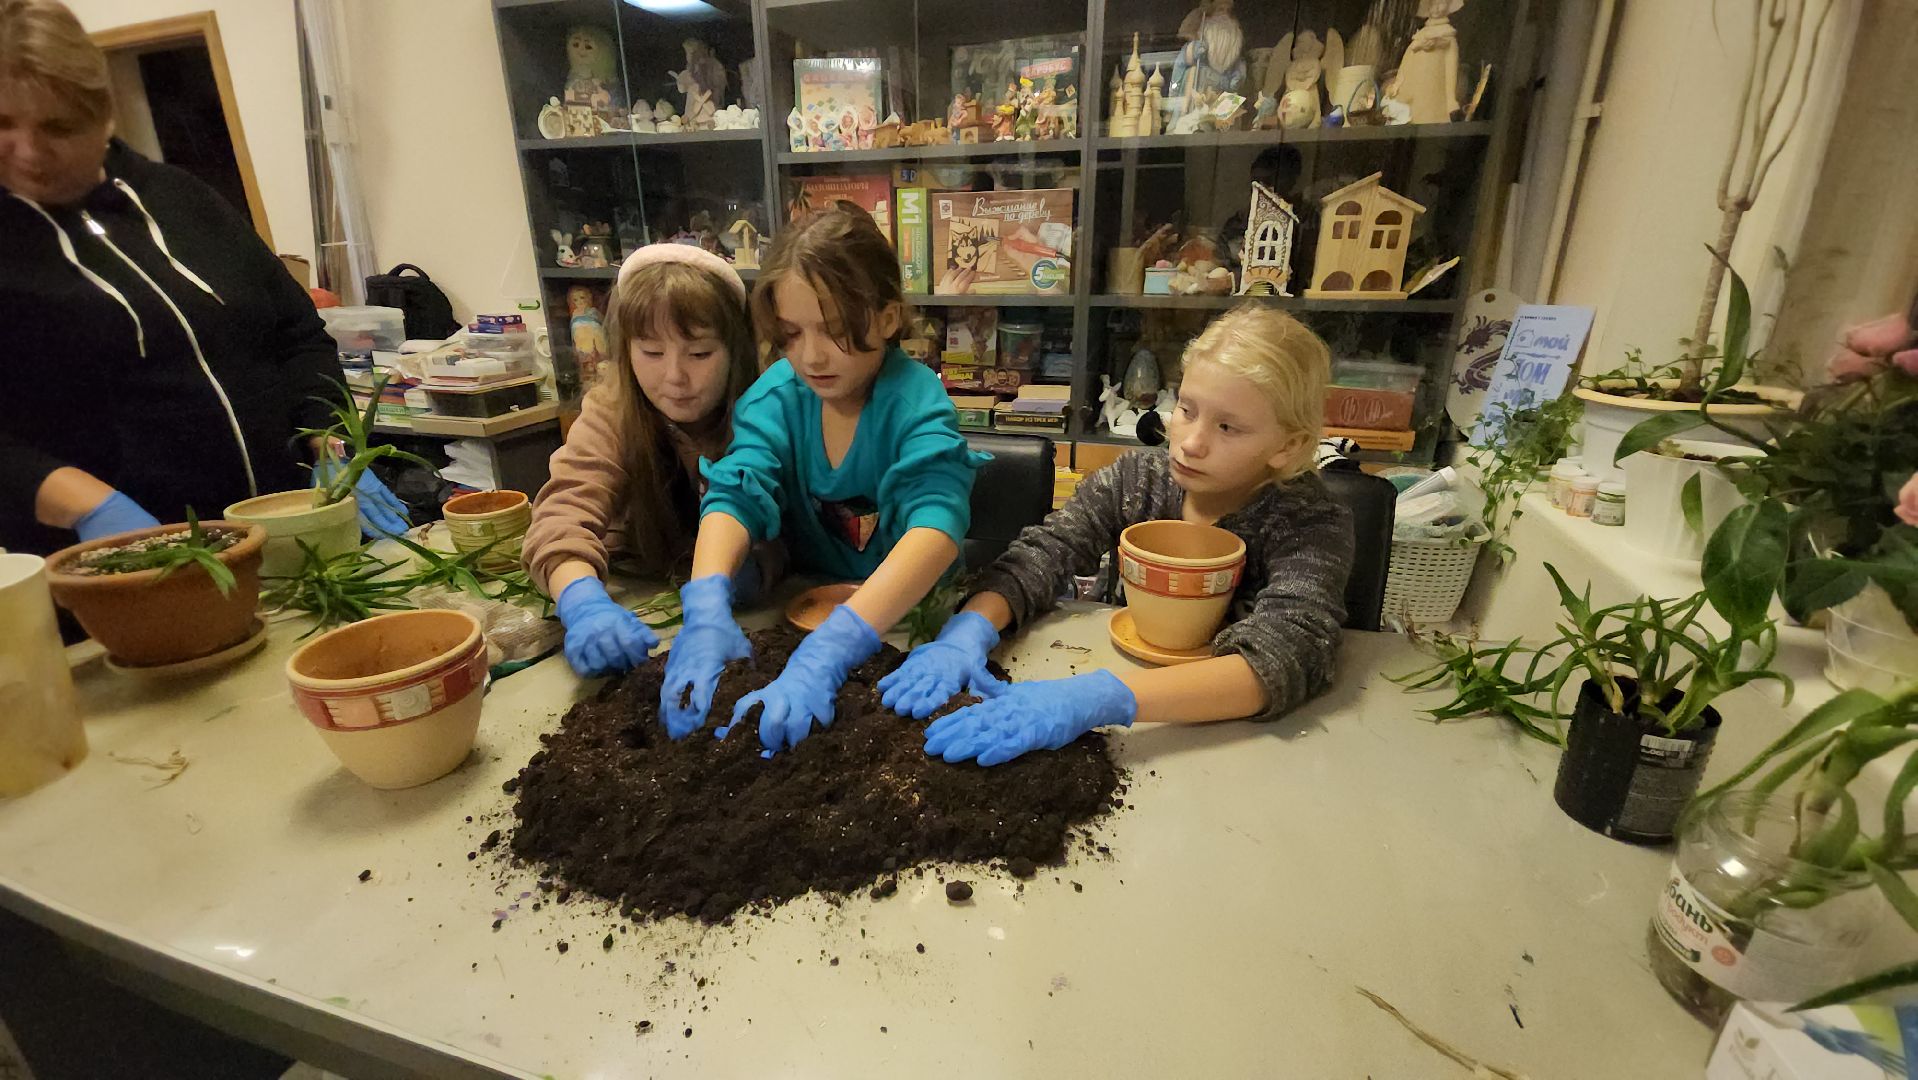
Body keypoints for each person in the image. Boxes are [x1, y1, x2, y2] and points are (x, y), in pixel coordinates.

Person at [0, 0, 406, 556]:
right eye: (1, 124)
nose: (27, 152)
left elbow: (295, 331)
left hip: (286, 531)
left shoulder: (178, 197)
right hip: (125, 563)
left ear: (104, 114)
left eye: (58, 126)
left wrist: (329, 437)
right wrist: (89, 506)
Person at [884, 304, 1354, 766]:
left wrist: (1098, 697)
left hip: (1242, 748)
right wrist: (970, 629)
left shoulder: (1310, 522)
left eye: (1228, 427)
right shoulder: (1136, 481)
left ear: (1287, 445)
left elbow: (1287, 652)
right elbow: (1045, 552)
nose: (1190, 441)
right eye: (1186, 409)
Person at [659, 204, 986, 752]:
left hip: (906, 621)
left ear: (886, 318)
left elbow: (937, 523)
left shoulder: (916, 403)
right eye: (790, 334)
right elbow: (736, 490)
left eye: (834, 331)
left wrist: (838, 644)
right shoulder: (776, 399)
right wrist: (706, 602)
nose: (810, 357)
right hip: (797, 613)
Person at [523, 244, 781, 678]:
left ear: (736, 350)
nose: (675, 377)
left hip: (754, 618)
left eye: (699, 354)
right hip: (641, 607)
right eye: (652, 353)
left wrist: (748, 571)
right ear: (626, 350)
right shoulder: (613, 408)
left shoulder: (766, 408)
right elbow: (563, 514)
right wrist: (581, 600)